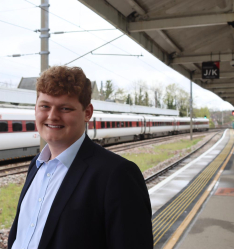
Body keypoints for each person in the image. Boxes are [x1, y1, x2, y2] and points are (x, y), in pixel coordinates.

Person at [8, 66, 153, 249]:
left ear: (87, 113)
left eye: (65, 108)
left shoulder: (117, 175)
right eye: (45, 106)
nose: (52, 116)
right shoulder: (36, 166)